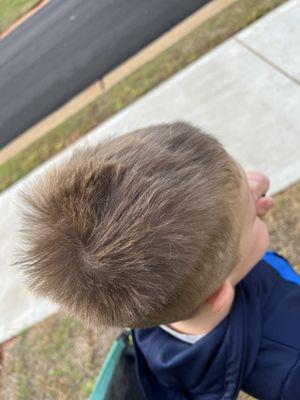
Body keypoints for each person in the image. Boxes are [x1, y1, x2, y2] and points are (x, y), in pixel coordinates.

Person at [13, 122, 300, 399]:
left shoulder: (165, 306)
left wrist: (238, 205)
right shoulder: (289, 362)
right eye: (251, 218)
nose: (255, 190)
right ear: (218, 295)